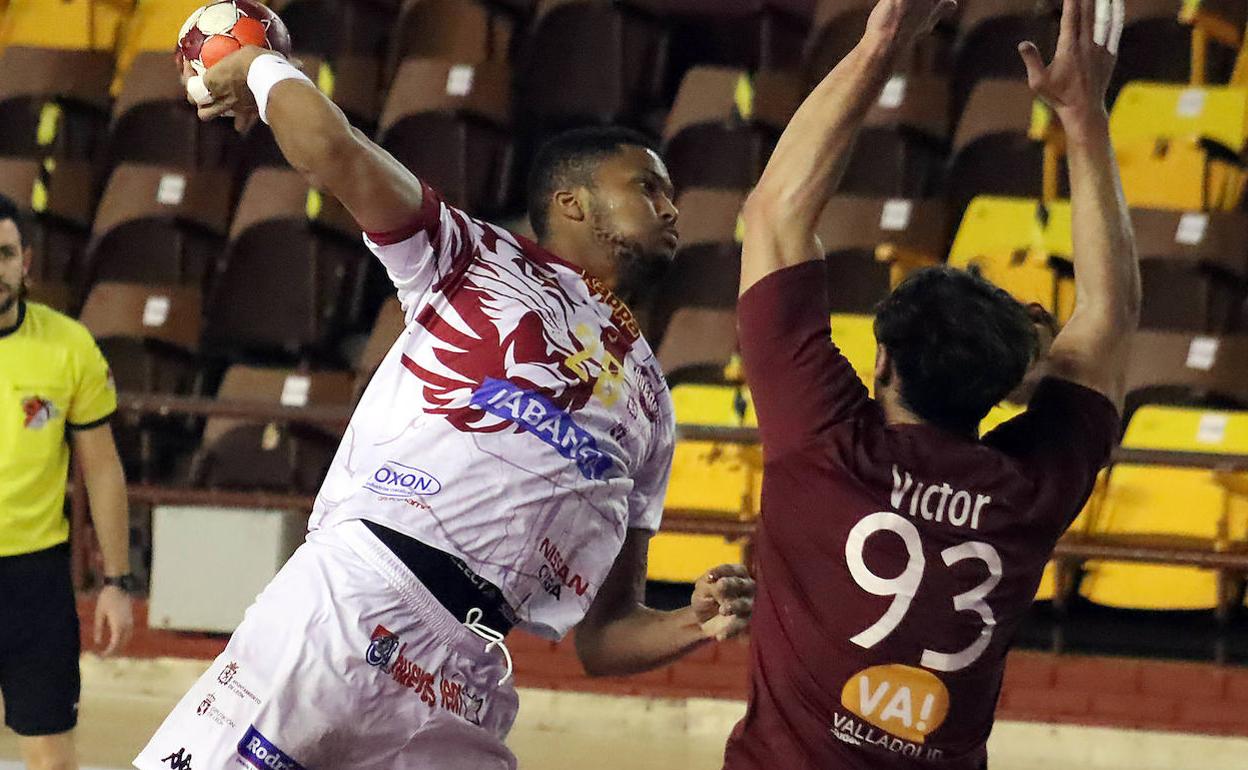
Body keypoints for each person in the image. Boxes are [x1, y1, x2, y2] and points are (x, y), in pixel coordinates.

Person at [135, 45, 755, 770]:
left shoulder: (652, 401)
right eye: (647, 187)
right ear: (573, 202)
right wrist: (261, 66)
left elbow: (605, 636)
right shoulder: (475, 256)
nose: (672, 207)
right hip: (354, 604)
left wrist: (692, 622)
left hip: (467, 677)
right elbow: (334, 150)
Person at [725, 0, 1138, 767]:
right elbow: (1107, 318)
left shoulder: (825, 447)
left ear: (881, 362)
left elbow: (775, 213)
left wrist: (882, 43)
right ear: (1010, 385)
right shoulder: (1031, 489)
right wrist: (1086, 121)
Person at [0, 194, 136, 770]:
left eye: (3, 254)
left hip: (35, 579)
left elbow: (102, 469)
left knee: (51, 758)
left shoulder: (69, 345)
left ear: (25, 261)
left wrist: (117, 581)